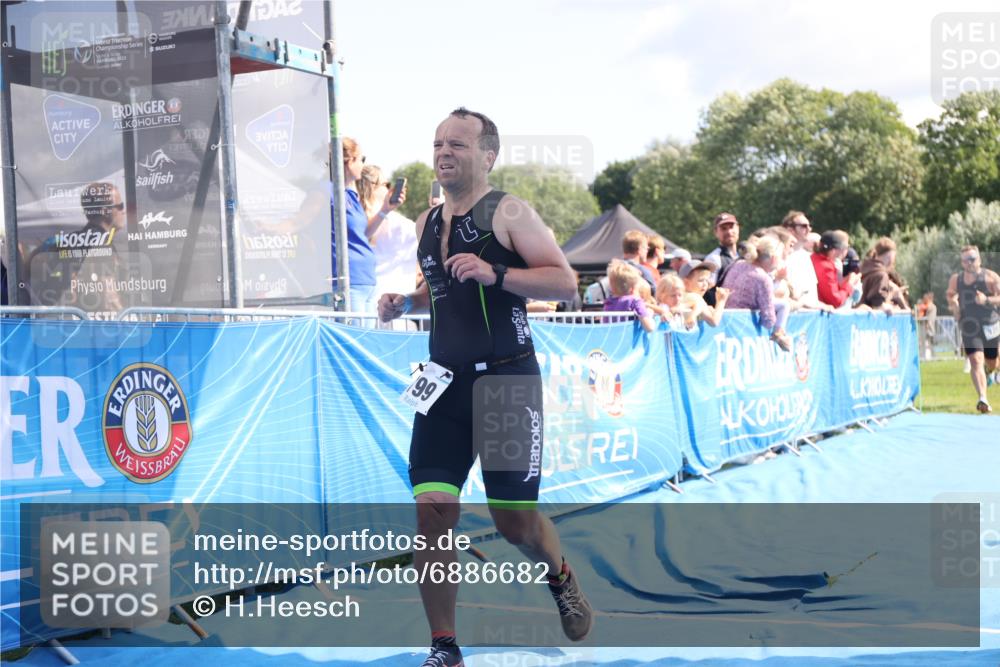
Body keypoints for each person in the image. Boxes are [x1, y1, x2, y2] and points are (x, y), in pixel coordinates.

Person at [377, 107, 592, 666]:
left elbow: (566, 283)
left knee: (514, 522)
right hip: (441, 385)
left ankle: (560, 574)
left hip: (505, 384)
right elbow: (442, 288)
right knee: (431, 514)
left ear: (488, 155)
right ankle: (445, 647)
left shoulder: (509, 211)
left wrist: (497, 274)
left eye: (459, 144)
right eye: (438, 143)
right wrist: (407, 301)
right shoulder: (427, 222)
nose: (445, 151)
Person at [334, 137, 406, 324]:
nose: (363, 164)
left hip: (366, 281)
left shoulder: (350, 196)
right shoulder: (329, 194)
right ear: (348, 161)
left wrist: (385, 209)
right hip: (350, 282)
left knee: (365, 338)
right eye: (361, 159)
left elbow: (362, 235)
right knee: (356, 340)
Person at [358, 165, 419, 330]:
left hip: (375, 309)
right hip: (391, 312)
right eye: (386, 184)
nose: (389, 189)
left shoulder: (354, 220)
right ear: (373, 187)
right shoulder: (397, 224)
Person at [946, 245, 1000, 413]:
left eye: (972, 259)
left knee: (992, 361)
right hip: (969, 326)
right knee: (975, 360)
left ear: (979, 259)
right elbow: (950, 293)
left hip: (990, 324)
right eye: (966, 260)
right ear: (962, 263)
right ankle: (982, 398)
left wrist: (987, 300)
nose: (970, 263)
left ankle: (991, 371)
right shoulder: (957, 279)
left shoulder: (991, 277)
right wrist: (954, 304)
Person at [721, 235, 792, 351]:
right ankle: (779, 333)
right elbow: (768, 321)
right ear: (774, 258)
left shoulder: (738, 264)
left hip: (725, 320)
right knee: (784, 305)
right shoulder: (763, 278)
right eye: (780, 257)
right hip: (741, 329)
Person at [603, 259, 657, 332]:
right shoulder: (635, 301)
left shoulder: (608, 303)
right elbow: (650, 328)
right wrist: (650, 314)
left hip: (613, 342)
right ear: (633, 288)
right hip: (630, 342)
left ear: (611, 287)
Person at [811, 230, 860, 310]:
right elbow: (836, 301)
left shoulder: (812, 258)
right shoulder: (827, 267)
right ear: (834, 251)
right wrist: (850, 283)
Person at [859, 237, 909, 313]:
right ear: (890, 257)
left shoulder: (864, 269)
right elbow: (876, 301)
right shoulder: (881, 274)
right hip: (870, 319)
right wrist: (888, 306)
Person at [703, 212, 740, 306]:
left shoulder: (745, 255)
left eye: (731, 227)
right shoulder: (714, 258)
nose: (729, 232)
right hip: (723, 315)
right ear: (716, 232)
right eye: (724, 228)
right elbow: (707, 289)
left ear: (738, 228)